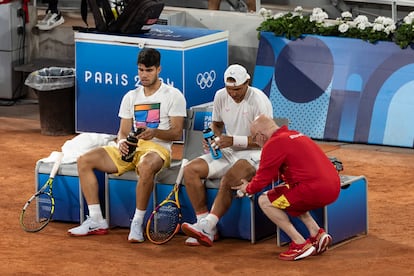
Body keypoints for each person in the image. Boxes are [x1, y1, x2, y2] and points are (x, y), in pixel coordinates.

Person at [68, 48, 187, 243]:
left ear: (159, 69)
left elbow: (176, 132)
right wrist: (122, 142)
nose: (144, 75)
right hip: (131, 148)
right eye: (140, 70)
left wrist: (154, 132)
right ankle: (97, 219)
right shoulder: (131, 96)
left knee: (146, 166)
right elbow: (123, 131)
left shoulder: (173, 95)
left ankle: (137, 223)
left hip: (157, 149)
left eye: (148, 70)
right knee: (84, 160)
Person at [180, 64, 273, 246]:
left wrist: (232, 140)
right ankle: (205, 226)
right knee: (190, 170)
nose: (233, 94)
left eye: (237, 89)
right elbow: (217, 124)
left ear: (247, 82)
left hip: (256, 153)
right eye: (229, 89)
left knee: (230, 177)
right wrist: (213, 138)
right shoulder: (221, 96)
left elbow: (267, 140)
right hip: (229, 150)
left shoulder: (260, 101)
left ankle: (209, 225)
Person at [233, 114, 341, 261]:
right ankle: (317, 234)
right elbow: (273, 174)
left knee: (265, 201)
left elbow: (261, 180)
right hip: (333, 186)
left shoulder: (273, 144)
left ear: (261, 135)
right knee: (286, 196)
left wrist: (248, 188)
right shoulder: (295, 134)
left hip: (314, 190)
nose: (255, 141)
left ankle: (299, 243)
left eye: (253, 137)